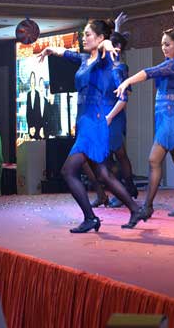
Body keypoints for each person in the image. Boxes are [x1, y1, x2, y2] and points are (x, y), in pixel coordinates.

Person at [37, 19, 148, 232]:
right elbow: (66, 53)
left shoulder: (105, 59)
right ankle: (135, 209)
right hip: (84, 121)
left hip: (94, 124)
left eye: (88, 34)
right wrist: (50, 49)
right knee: (103, 174)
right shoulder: (84, 59)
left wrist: (107, 44)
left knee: (68, 171)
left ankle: (90, 218)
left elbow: (106, 45)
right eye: (84, 34)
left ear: (99, 38)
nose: (84, 38)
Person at [114, 7, 174, 218]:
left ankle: (147, 206)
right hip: (173, 116)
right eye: (162, 44)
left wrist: (127, 81)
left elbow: (149, 72)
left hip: (169, 117)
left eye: (167, 44)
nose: (163, 47)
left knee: (153, 160)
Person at [105, 13, 140, 208]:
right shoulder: (115, 62)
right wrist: (117, 26)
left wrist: (109, 117)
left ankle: (123, 191)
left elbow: (124, 98)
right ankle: (129, 187)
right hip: (112, 115)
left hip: (114, 115)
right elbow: (117, 45)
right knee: (117, 155)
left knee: (114, 156)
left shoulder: (118, 68)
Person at [26, 72, 43, 140]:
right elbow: (28, 112)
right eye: (31, 78)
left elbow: (39, 113)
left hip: (37, 127)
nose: (32, 80)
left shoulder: (38, 94)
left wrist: (36, 127)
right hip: (30, 128)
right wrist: (30, 127)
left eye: (33, 78)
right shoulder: (28, 94)